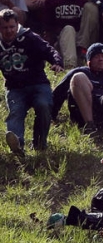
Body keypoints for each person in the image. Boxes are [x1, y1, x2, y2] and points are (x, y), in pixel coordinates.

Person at [0, 8, 62, 155]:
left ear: (17, 25)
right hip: (14, 87)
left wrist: (56, 62)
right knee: (16, 112)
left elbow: (49, 50)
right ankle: (17, 145)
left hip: (38, 83)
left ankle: (40, 143)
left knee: (43, 105)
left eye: (12, 27)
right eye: (4, 28)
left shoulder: (30, 37)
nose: (9, 31)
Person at [43, 0, 99, 69]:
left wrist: (93, 0)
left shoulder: (83, 0)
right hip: (62, 40)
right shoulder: (52, 1)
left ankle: (83, 51)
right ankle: (70, 66)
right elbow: (48, 27)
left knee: (92, 7)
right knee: (69, 29)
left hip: (82, 39)